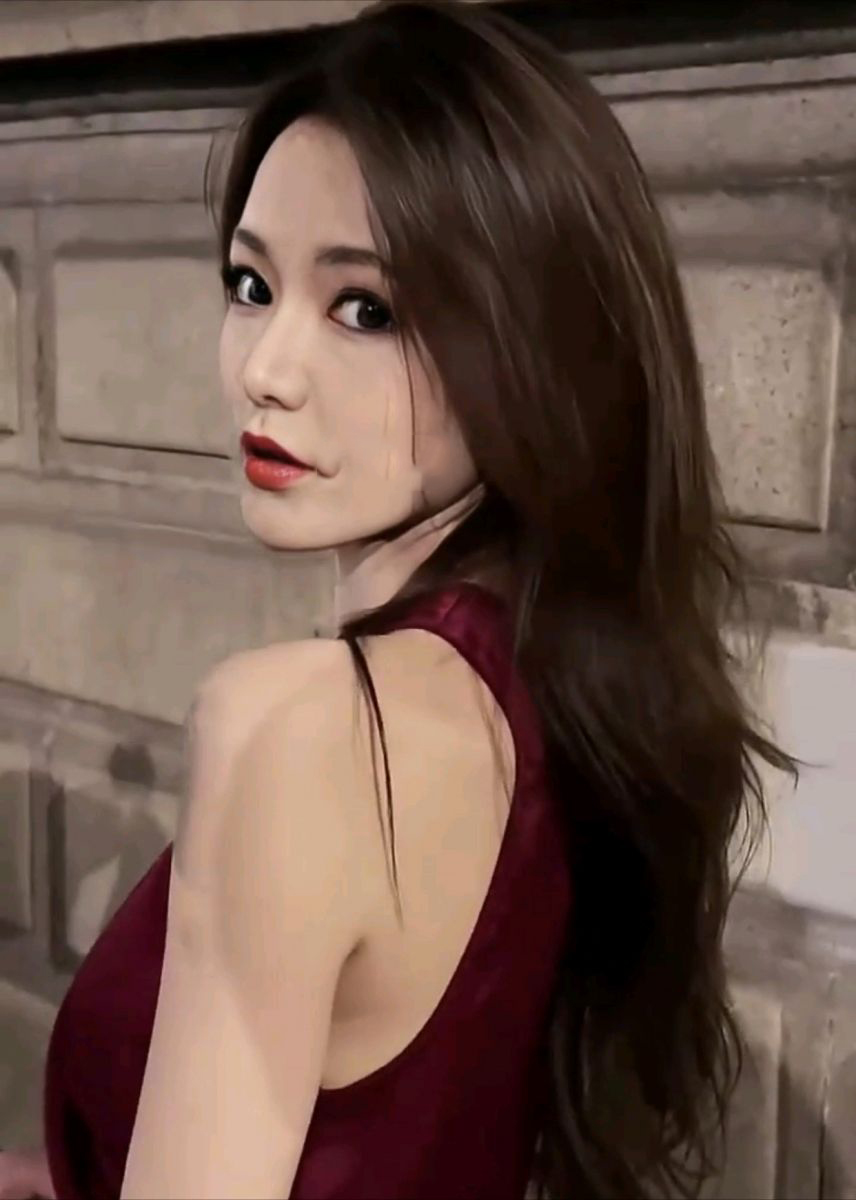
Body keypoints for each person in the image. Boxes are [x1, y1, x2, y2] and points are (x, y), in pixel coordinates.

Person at [0, 1, 796, 1197]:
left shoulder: (296, 731)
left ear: (532, 349)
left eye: (365, 309)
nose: (265, 370)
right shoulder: (569, 688)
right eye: (250, 284)